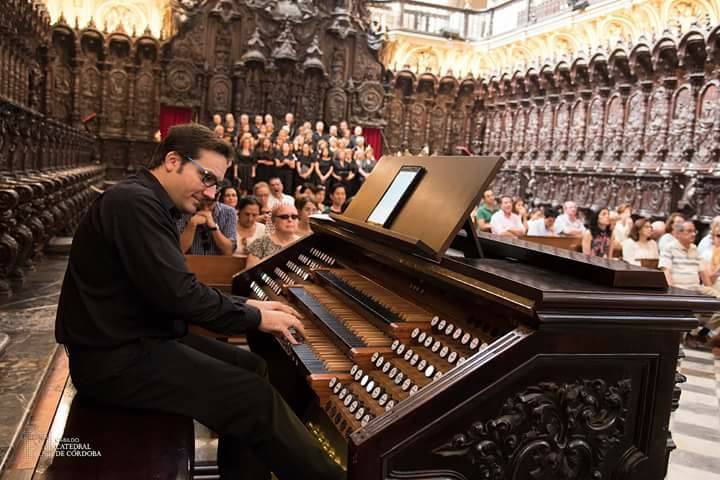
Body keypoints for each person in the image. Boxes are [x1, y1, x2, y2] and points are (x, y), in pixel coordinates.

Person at [54, 123, 345, 480]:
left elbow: (174, 288)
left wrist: (252, 307)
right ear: (173, 160)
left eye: (216, 183)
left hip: (134, 336)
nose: (211, 192)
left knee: (252, 370)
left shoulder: (146, 200)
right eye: (206, 176)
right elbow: (180, 295)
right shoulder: (133, 203)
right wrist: (254, 317)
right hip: (112, 359)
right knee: (254, 398)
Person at [246, 204, 300, 268]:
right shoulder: (260, 243)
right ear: (273, 221)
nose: (290, 220)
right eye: (284, 217)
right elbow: (249, 274)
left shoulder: (304, 243)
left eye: (294, 217)